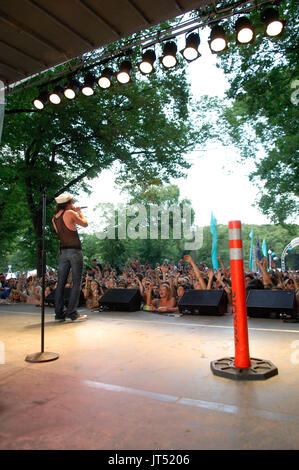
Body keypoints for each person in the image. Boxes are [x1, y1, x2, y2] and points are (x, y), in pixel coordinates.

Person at [52, 192, 88, 322]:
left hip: (62, 253)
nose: (73, 204)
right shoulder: (70, 213)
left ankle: (59, 313)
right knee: (77, 281)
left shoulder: (54, 218)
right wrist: (79, 212)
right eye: (72, 202)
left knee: (60, 283)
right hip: (74, 251)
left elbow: (61, 232)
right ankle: (72, 313)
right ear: (68, 204)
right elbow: (84, 224)